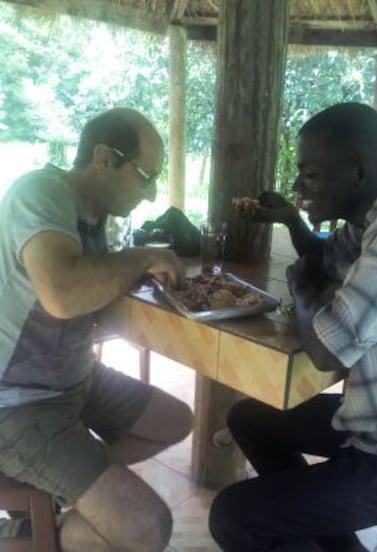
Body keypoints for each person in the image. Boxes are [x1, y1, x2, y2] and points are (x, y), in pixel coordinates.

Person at [209, 102, 377, 552]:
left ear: (358, 172)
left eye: (311, 174)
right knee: (250, 417)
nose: (299, 186)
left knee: (234, 517)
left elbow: (327, 349)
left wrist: (302, 294)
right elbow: (325, 257)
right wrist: (290, 221)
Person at [0, 107, 193, 551]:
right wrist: (140, 258)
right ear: (104, 158)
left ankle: (64, 497)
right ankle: (26, 536)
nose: (151, 193)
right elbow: (63, 294)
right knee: (146, 527)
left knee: (174, 420)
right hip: (18, 403)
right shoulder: (41, 192)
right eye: (145, 175)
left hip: (73, 381)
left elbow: (87, 295)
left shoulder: (93, 217)